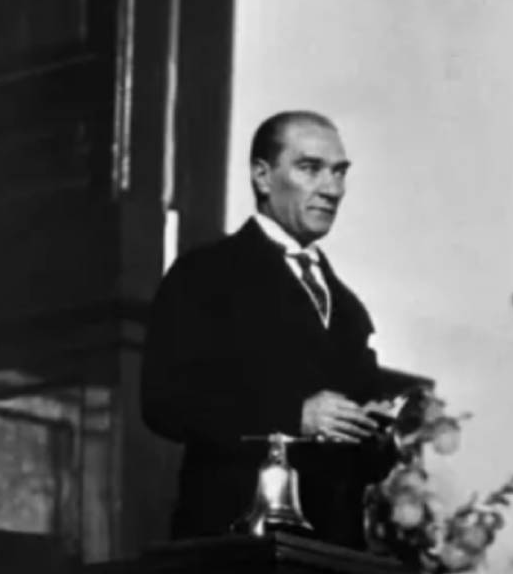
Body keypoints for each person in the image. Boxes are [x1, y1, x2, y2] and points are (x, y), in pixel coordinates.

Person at [141, 110, 395, 548]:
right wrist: (294, 415)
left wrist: (377, 433)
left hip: (331, 552)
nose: (332, 189)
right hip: (236, 544)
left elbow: (365, 462)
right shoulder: (204, 273)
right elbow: (165, 402)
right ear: (262, 176)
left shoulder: (349, 307)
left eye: (339, 172)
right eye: (310, 168)